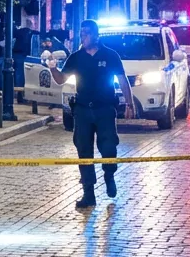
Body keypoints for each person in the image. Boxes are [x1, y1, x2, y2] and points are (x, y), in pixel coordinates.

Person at [50, 18, 135, 209]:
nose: (83, 36)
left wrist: (129, 103)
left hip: (105, 108)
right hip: (82, 110)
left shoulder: (110, 55)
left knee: (109, 147)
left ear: (96, 35)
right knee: (83, 150)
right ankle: (88, 192)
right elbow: (61, 80)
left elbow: (122, 80)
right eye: (81, 33)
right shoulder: (76, 57)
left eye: (87, 33)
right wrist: (53, 67)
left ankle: (109, 174)